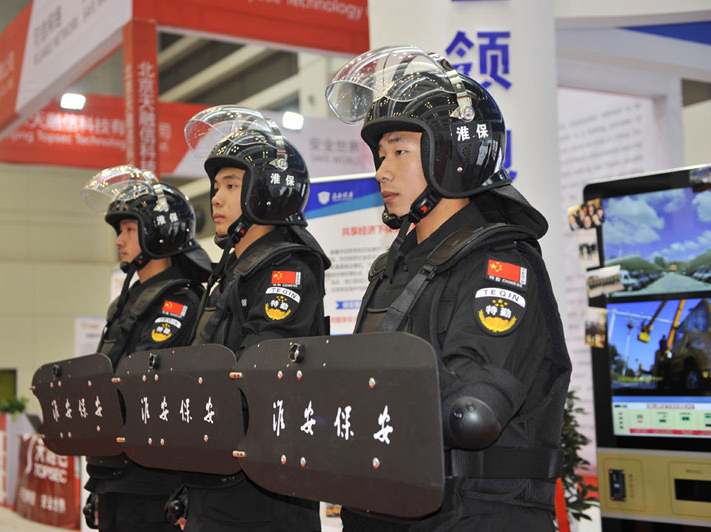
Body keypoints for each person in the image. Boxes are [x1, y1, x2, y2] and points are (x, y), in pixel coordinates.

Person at [326, 46, 572, 531]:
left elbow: (472, 411)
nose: (381, 171)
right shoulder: (391, 271)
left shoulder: (499, 265)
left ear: (453, 155)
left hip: (474, 516)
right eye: (381, 154)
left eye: (400, 151)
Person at [177, 106, 327, 531]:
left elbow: (258, 371)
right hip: (217, 474)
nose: (216, 198)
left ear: (267, 191)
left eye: (231, 184)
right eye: (215, 187)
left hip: (264, 491)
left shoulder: (288, 270)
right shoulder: (227, 273)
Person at [80, 166, 212, 532]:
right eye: (119, 231)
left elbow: (141, 382)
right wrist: (98, 486)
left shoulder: (180, 301)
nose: (119, 241)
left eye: (128, 229)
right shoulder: (128, 301)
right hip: (115, 474)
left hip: (152, 482)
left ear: (158, 231)